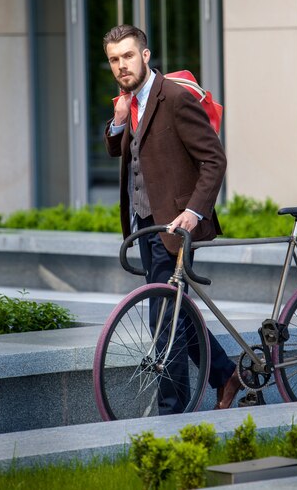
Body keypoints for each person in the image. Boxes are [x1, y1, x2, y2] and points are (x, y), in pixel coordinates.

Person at [103, 24, 242, 412]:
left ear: (145, 56)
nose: (121, 65)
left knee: (163, 321)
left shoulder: (175, 98)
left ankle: (172, 413)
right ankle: (226, 374)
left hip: (176, 226)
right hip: (144, 225)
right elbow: (120, 151)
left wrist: (194, 212)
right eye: (114, 60)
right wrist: (117, 120)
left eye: (128, 56)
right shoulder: (129, 102)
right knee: (175, 313)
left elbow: (215, 159)